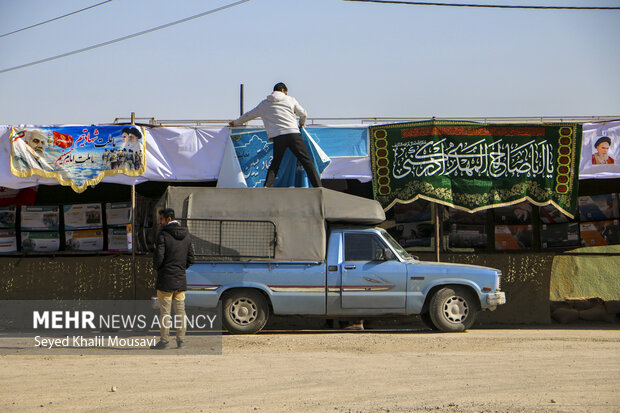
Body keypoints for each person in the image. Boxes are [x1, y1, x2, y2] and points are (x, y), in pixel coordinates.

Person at [229, 82, 322, 187]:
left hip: (278, 137)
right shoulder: (290, 100)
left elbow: (249, 115)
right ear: (283, 91)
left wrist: (235, 122)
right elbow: (303, 113)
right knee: (306, 161)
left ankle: (267, 186)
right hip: (293, 134)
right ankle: (318, 186)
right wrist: (302, 123)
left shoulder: (264, 104)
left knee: (276, 163)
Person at [151, 208, 195, 349]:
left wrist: (160, 269)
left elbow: (159, 258)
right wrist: (180, 269)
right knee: (181, 312)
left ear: (168, 219)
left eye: (161, 219)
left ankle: (164, 341)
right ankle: (180, 341)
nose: (159, 222)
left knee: (165, 312)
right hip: (180, 279)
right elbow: (191, 259)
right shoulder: (187, 235)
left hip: (165, 280)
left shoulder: (163, 235)